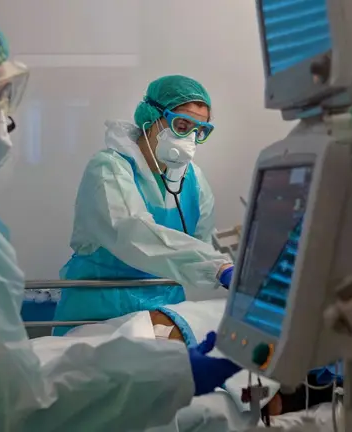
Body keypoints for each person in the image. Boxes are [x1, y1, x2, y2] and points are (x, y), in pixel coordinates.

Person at [0, 6, 240, 431]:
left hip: (164, 316)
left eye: (7, 98)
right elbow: (17, 399)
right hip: (98, 319)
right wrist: (169, 377)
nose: (5, 118)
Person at [53, 75, 234, 335]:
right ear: (151, 118)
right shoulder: (108, 168)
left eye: (200, 130)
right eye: (182, 125)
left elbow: (202, 244)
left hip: (165, 318)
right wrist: (217, 266)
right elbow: (131, 232)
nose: (191, 138)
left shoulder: (194, 180)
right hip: (97, 316)